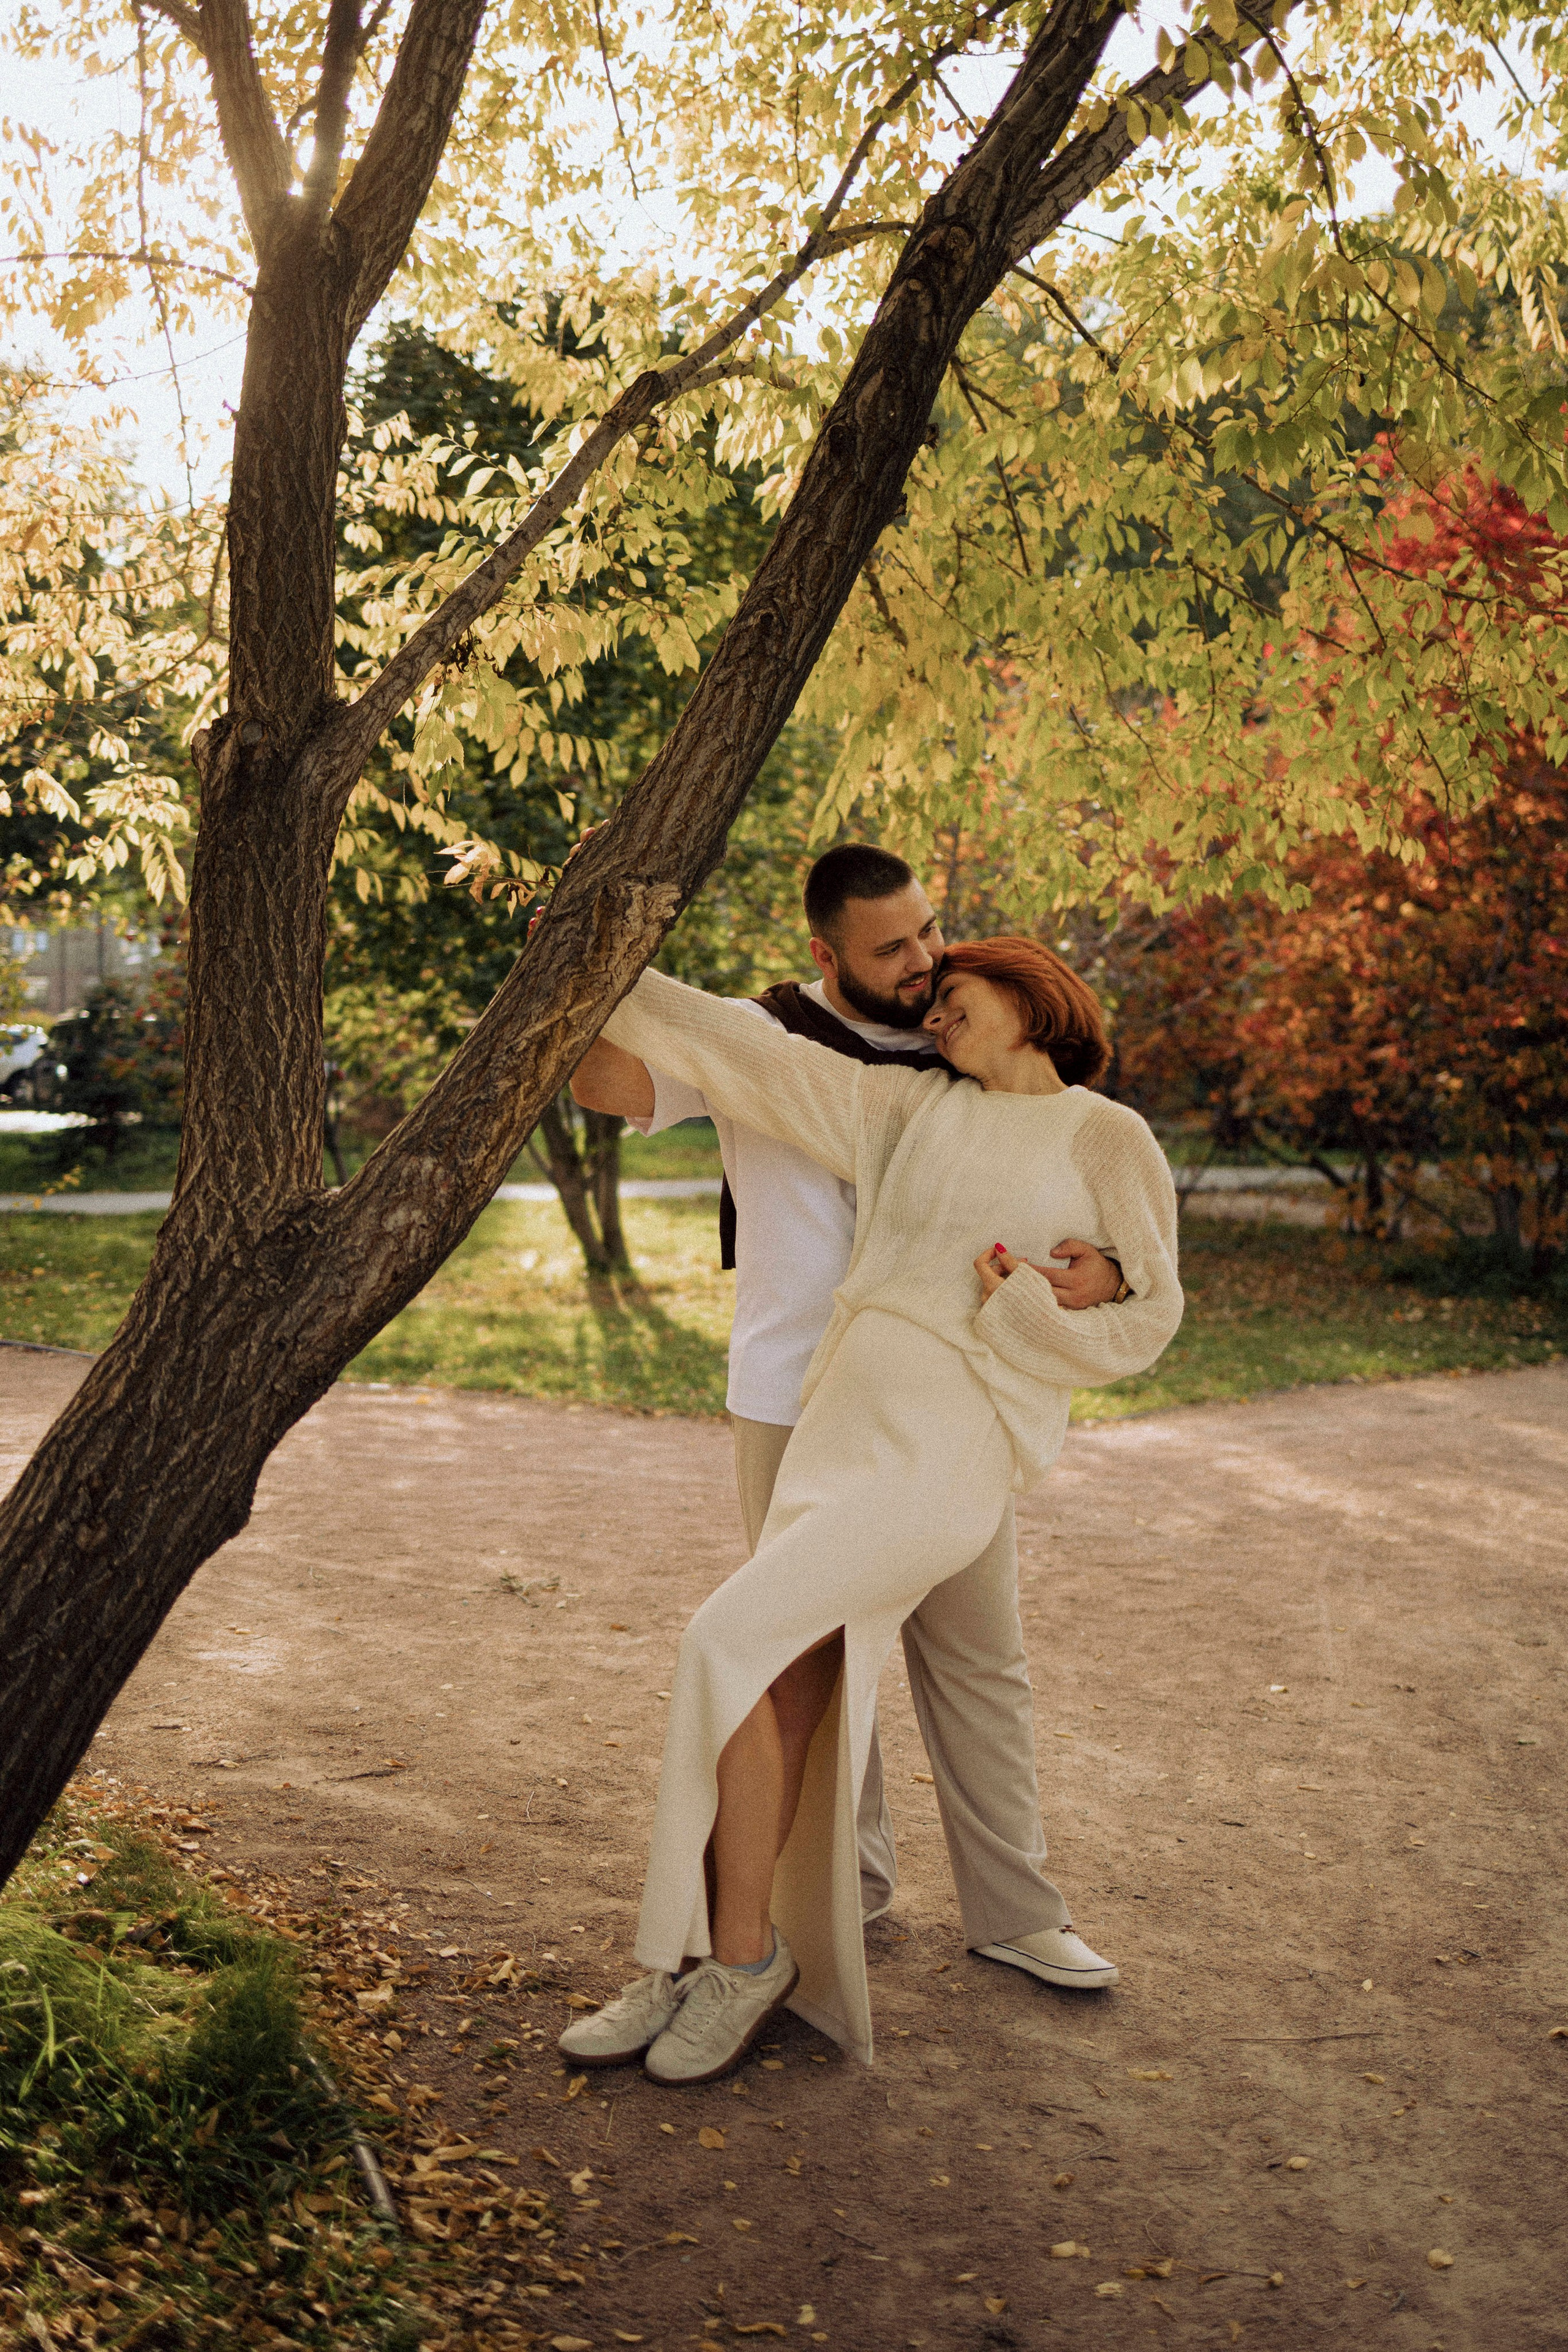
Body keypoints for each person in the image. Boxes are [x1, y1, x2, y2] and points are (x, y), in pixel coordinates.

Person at [561, 932, 1182, 2086]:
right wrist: (601, 942)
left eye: (957, 995)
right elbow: (736, 1048)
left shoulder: (1108, 1135)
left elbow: (1147, 1321)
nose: (938, 1014)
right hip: (836, 1426)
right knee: (768, 1676)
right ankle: (706, 1956)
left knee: (721, 1642)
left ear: (1030, 994)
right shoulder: (902, 1108)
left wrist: (1024, 1314)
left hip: (947, 1446)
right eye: (931, 1002)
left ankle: (726, 1960)